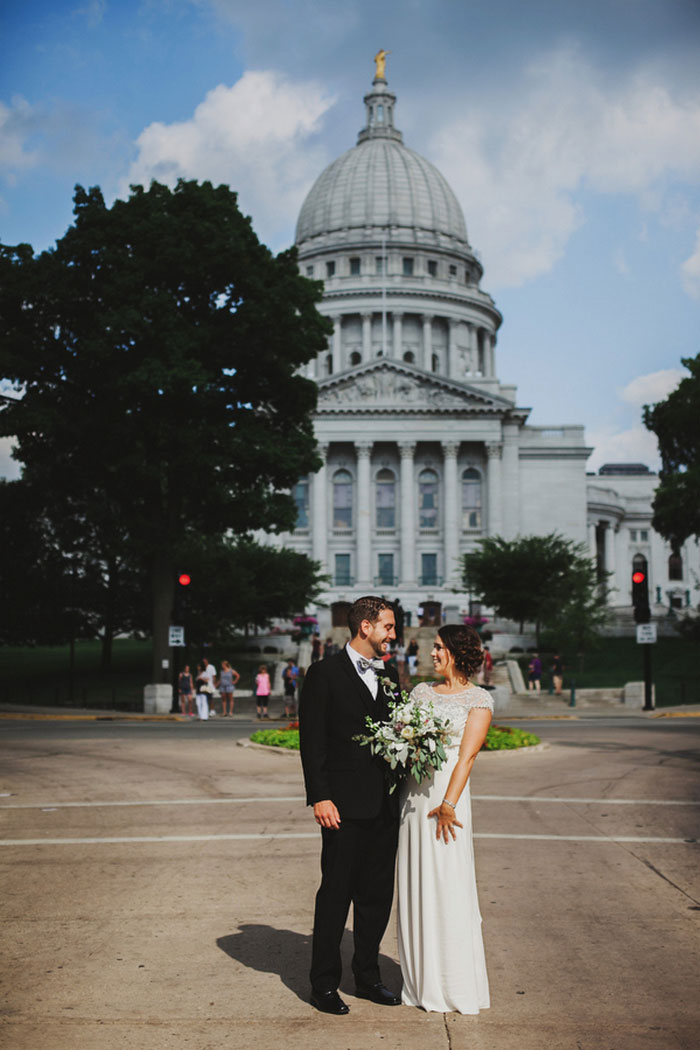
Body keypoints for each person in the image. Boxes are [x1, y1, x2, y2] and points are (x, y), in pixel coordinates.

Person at [299, 596, 401, 1016]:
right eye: (388, 627)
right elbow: (312, 740)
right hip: (340, 806)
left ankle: (367, 976)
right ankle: (323, 984)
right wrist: (320, 795)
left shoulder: (391, 673)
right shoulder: (324, 674)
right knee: (336, 895)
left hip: (385, 805)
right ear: (365, 627)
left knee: (376, 896)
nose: (393, 634)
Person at [397, 624, 493, 1014]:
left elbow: (466, 757)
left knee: (447, 883)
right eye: (431, 647)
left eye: (438, 648)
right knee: (416, 882)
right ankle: (420, 982)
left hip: (447, 802)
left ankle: (453, 983)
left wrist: (449, 803)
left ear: (456, 651)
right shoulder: (420, 693)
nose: (431, 654)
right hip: (414, 799)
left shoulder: (479, 699)